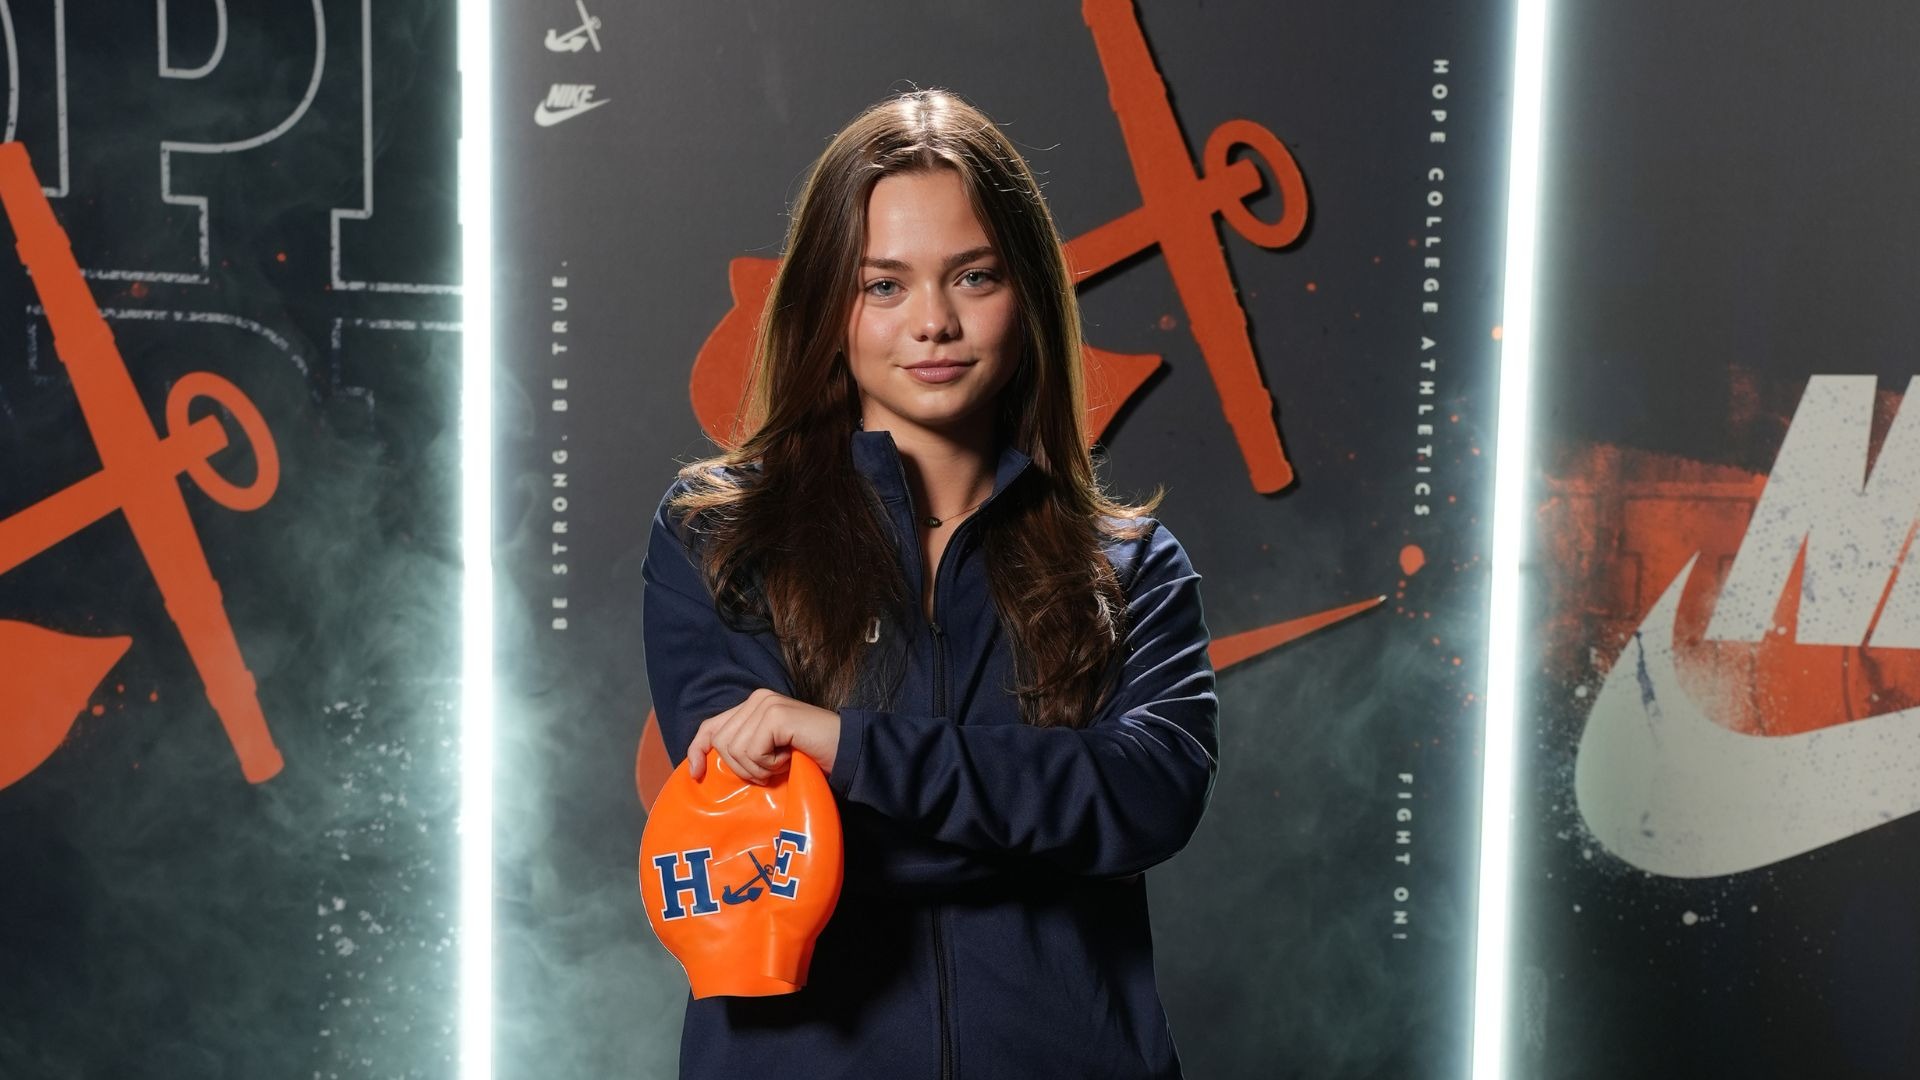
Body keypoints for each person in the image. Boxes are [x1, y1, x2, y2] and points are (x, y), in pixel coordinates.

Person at [641, 88, 1218, 1080]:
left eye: (974, 276)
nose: (935, 324)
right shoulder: (719, 540)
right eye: (884, 286)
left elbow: (1149, 805)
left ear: (1026, 291)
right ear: (831, 304)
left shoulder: (1130, 569)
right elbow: (751, 857)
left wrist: (843, 747)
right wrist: (1048, 825)